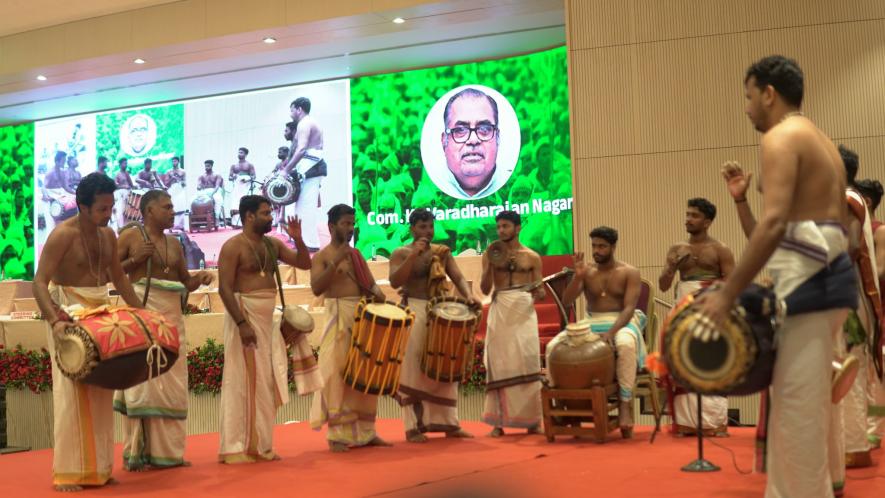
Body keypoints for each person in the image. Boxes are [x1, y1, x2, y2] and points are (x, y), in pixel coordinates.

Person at [697, 55, 856, 498]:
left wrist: (728, 294)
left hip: (812, 285)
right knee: (798, 409)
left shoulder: (781, 135)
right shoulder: (819, 139)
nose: (747, 108)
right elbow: (813, 227)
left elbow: (776, 225)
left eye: (748, 97)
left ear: (769, 93)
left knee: (799, 415)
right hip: (820, 281)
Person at [31, 172, 144, 491]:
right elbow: (40, 282)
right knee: (71, 395)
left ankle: (99, 469)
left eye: (110, 208)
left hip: (102, 317)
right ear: (82, 206)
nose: (109, 215)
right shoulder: (61, 235)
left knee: (101, 393)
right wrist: (55, 320)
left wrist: (141, 313)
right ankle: (69, 472)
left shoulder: (108, 236)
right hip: (68, 316)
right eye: (102, 209)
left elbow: (120, 281)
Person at [114, 190, 214, 470]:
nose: (172, 211)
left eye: (172, 207)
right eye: (167, 207)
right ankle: (139, 454)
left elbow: (184, 282)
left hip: (172, 322)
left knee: (172, 384)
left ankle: (168, 454)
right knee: (144, 385)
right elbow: (109, 272)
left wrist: (200, 279)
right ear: (149, 211)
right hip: (143, 317)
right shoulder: (131, 237)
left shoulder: (175, 242)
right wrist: (134, 261)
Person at [216, 195, 311, 463]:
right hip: (243, 318)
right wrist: (242, 324)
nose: (271, 217)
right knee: (242, 382)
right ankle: (236, 448)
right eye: (266, 213)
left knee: (265, 382)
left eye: (270, 213)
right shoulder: (233, 246)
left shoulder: (273, 245)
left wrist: (299, 238)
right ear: (249, 216)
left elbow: (305, 263)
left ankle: (261, 445)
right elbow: (224, 288)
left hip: (267, 320)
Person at [389, 208, 479, 442]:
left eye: (430, 226)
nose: (427, 231)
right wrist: (413, 255)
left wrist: (468, 295)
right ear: (411, 229)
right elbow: (395, 280)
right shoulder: (400, 252)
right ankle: (412, 428)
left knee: (446, 365)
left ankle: (449, 424)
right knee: (413, 369)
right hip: (414, 311)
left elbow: (458, 277)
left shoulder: (441, 252)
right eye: (422, 227)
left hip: (441, 310)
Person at [309, 204, 389, 452]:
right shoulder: (322, 256)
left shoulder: (356, 255)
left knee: (363, 375)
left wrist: (381, 297)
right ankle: (338, 435)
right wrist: (335, 262)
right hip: (337, 317)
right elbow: (317, 289)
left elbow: (370, 284)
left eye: (352, 223)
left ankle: (366, 431)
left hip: (361, 316)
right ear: (332, 226)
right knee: (336, 374)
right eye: (345, 223)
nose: (350, 228)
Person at [658, 198, 735, 437]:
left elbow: (732, 285)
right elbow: (663, 285)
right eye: (687, 214)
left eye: (694, 215)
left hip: (711, 310)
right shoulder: (676, 249)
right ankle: (685, 423)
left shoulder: (720, 249)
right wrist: (671, 267)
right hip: (682, 310)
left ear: (708, 221)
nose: (688, 219)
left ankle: (714, 423)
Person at [562, 226, 646, 436]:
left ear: (613, 247)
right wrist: (578, 277)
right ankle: (566, 408)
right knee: (557, 346)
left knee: (625, 345)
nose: (596, 250)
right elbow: (566, 300)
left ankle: (625, 405)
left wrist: (611, 333)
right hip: (591, 321)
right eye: (594, 246)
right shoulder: (586, 271)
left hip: (622, 321)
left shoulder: (629, 272)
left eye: (602, 246)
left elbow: (629, 309)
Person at [480, 210, 545, 437]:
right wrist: (490, 264)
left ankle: (532, 421)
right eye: (498, 227)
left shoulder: (532, 257)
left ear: (517, 228)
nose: (501, 231)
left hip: (523, 309)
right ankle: (497, 422)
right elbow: (484, 289)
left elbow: (541, 292)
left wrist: (535, 293)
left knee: (527, 361)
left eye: (506, 226)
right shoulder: (490, 254)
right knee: (498, 364)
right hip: (500, 307)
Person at [839, 145, 881, 469]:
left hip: (848, 298)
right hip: (851, 296)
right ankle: (851, 444)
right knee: (848, 367)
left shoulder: (848, 200)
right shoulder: (850, 198)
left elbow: (851, 248)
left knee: (846, 368)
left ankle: (853, 446)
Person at [433, 87, 509, 199]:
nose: (473, 140)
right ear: (444, 141)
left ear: (497, 137)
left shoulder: (514, 184)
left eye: (484, 129)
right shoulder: (429, 192)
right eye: (460, 130)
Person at [855, 177, 885, 449]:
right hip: (858, 305)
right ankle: (859, 427)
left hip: (878, 307)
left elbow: (881, 271)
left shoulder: (879, 230)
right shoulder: (856, 229)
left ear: (867, 201)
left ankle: (875, 429)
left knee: (876, 374)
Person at [284, 98, 327, 251]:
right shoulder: (305, 124)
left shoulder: (305, 123)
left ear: (299, 109)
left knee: (306, 207)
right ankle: (305, 242)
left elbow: (302, 150)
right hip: (307, 167)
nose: (290, 113)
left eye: (292, 110)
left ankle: (310, 244)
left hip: (312, 166)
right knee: (301, 207)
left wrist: (286, 170)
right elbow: (295, 148)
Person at [228, 147, 257, 227]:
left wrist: (247, 180)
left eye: (241, 152)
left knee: (245, 202)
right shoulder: (233, 165)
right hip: (237, 187)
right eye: (239, 152)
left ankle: (248, 222)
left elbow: (254, 176)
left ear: (245, 154)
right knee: (235, 203)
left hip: (246, 187)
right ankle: (236, 223)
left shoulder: (249, 165)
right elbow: (229, 177)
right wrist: (233, 177)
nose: (239, 154)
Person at [197, 160, 225, 227]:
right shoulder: (201, 176)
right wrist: (199, 187)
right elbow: (198, 185)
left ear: (212, 166)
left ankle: (217, 218)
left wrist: (212, 194)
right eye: (205, 166)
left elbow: (217, 186)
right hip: (204, 191)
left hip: (215, 191)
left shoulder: (217, 175)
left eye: (208, 166)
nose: (206, 167)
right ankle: (200, 220)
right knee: (194, 200)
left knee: (217, 199)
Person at [271, 141, 291, 230]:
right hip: (278, 187)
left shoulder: (289, 162)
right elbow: (273, 173)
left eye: (280, 152)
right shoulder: (278, 164)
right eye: (278, 152)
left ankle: (285, 225)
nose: (278, 154)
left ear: (287, 153)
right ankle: (278, 223)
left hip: (287, 188)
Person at [163, 156, 187, 231]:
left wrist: (179, 180)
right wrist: (172, 179)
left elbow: (185, 183)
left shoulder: (183, 171)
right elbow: (166, 184)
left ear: (178, 162)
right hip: (172, 189)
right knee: (173, 207)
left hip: (180, 189)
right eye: (173, 161)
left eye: (175, 161)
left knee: (181, 206)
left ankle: (181, 225)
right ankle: (171, 226)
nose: (174, 163)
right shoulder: (168, 172)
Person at [114, 158, 135, 228]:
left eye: (126, 163)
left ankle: (129, 225)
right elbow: (115, 186)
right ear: (120, 165)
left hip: (128, 194)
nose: (126, 165)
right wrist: (123, 186)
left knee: (128, 211)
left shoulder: (127, 173)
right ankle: (122, 226)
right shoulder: (117, 174)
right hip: (121, 195)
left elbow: (131, 184)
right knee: (121, 211)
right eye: (124, 163)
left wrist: (136, 187)